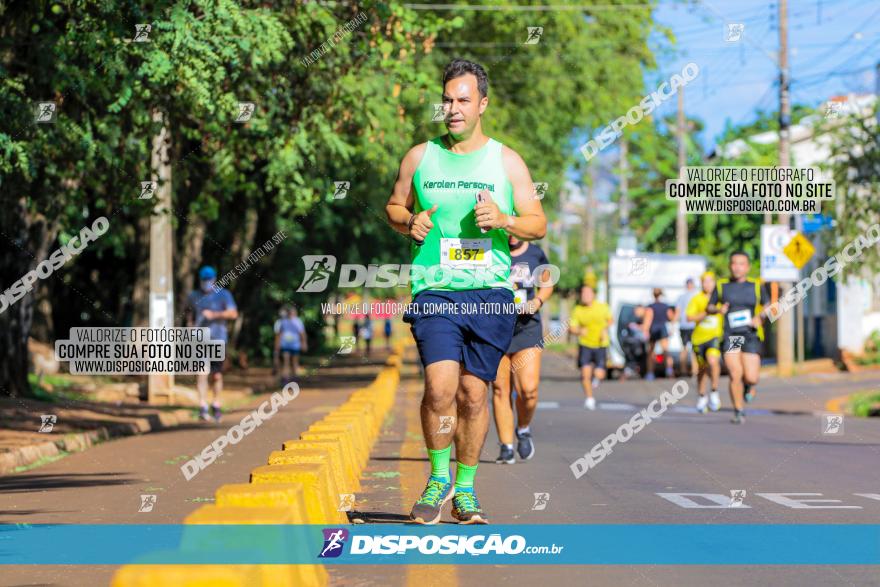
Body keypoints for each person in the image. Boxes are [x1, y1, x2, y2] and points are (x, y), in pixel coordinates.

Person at [385, 58, 546, 525]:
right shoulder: (420, 157)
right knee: (440, 387)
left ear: (483, 105)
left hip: (490, 293)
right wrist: (407, 221)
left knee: (476, 395)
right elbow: (395, 205)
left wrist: (505, 219)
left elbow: (538, 222)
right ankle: (438, 477)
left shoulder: (507, 160)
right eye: (448, 100)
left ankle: (466, 491)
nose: (453, 109)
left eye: (463, 100)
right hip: (435, 289)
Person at [492, 235, 553, 464]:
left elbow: (547, 281)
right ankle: (506, 446)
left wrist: (537, 301)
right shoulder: (491, 249)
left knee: (528, 389)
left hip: (527, 327)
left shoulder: (535, 253)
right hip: (496, 327)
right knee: (500, 388)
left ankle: (523, 429)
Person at [707, 251, 770, 424]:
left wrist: (760, 317)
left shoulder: (756, 285)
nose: (737, 267)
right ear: (730, 266)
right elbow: (709, 307)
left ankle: (749, 386)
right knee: (735, 374)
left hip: (750, 335)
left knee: (751, 377)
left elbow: (768, 305)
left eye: (741, 264)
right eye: (734, 263)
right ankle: (738, 410)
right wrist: (718, 310)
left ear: (748, 267)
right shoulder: (722, 286)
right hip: (732, 336)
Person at [186, 266, 238, 422]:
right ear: (200, 280)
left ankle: (216, 403)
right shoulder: (194, 296)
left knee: (216, 375)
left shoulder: (224, 294)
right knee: (201, 372)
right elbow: (190, 315)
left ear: (214, 279)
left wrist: (214, 314)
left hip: (218, 339)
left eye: (209, 279)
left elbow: (233, 314)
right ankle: (202, 405)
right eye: (204, 280)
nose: (206, 282)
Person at [569, 285, 612, 410]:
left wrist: (605, 329)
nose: (585, 296)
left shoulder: (602, 307)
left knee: (599, 374)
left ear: (593, 295)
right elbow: (572, 327)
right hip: (585, 345)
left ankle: (596, 379)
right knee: (585, 374)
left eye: (587, 293)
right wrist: (579, 331)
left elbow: (610, 320)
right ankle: (589, 398)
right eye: (583, 293)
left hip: (600, 344)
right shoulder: (577, 309)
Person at [686, 272, 723, 413]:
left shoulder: (720, 298)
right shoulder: (697, 299)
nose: (707, 284)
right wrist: (707, 312)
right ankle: (702, 396)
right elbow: (689, 317)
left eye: (710, 281)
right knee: (702, 369)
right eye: (705, 282)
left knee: (713, 362)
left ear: (714, 283)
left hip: (715, 336)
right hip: (699, 338)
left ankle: (714, 391)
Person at [643, 288, 675, 380]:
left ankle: (650, 373)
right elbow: (671, 317)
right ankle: (669, 370)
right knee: (665, 351)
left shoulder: (651, 306)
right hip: (663, 328)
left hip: (653, 329)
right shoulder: (665, 306)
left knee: (651, 352)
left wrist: (645, 331)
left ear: (653, 295)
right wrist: (672, 328)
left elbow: (648, 319)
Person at [274, 305, 307, 384]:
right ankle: (287, 378)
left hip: (294, 345)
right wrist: (278, 344)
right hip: (286, 344)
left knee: (293, 362)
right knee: (287, 362)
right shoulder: (288, 321)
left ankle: (293, 378)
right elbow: (280, 334)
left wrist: (304, 343)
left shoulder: (296, 321)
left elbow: (302, 333)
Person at [675, 278, 699, 377]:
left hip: (684, 325)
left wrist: (673, 325)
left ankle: (683, 371)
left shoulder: (681, 297)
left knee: (684, 348)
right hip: (693, 325)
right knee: (694, 349)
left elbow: (677, 311)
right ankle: (695, 371)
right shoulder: (697, 296)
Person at [620, 305, 648, 379]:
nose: (636, 312)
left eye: (637, 311)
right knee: (632, 356)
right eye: (635, 311)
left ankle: (641, 371)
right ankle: (631, 371)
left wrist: (637, 327)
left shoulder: (646, 316)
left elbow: (645, 330)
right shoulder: (633, 319)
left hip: (641, 343)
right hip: (634, 343)